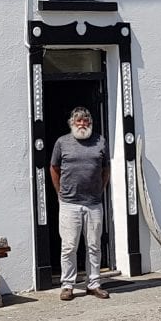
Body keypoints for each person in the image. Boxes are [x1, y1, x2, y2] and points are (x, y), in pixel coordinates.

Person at [50, 106, 110, 300]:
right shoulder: (62, 142)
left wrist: (100, 189)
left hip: (93, 203)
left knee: (94, 245)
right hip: (69, 203)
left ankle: (93, 284)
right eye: (79, 121)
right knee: (69, 246)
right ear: (72, 123)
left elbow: (105, 168)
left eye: (86, 121)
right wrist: (60, 193)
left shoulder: (100, 141)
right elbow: (54, 167)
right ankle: (68, 285)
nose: (83, 124)